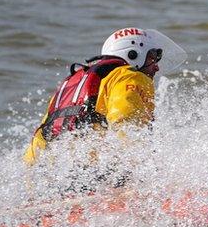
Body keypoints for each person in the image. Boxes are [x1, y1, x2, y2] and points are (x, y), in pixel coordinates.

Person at [23, 27, 186, 166]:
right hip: (87, 171)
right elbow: (126, 122)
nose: (156, 67)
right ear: (133, 55)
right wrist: (146, 168)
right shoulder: (129, 76)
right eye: (152, 58)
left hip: (46, 169)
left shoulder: (74, 81)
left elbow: (40, 136)